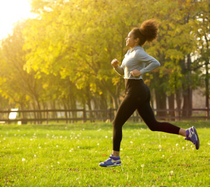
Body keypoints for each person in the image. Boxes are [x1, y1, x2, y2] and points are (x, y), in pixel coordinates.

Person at [99, 19, 200, 167]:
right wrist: (116, 67)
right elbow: (124, 73)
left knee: (117, 122)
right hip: (137, 90)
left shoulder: (139, 52)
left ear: (136, 39)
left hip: (136, 90)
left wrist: (141, 71)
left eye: (129, 37)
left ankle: (115, 158)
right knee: (153, 125)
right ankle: (188, 133)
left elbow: (156, 63)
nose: (126, 38)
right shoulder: (130, 52)